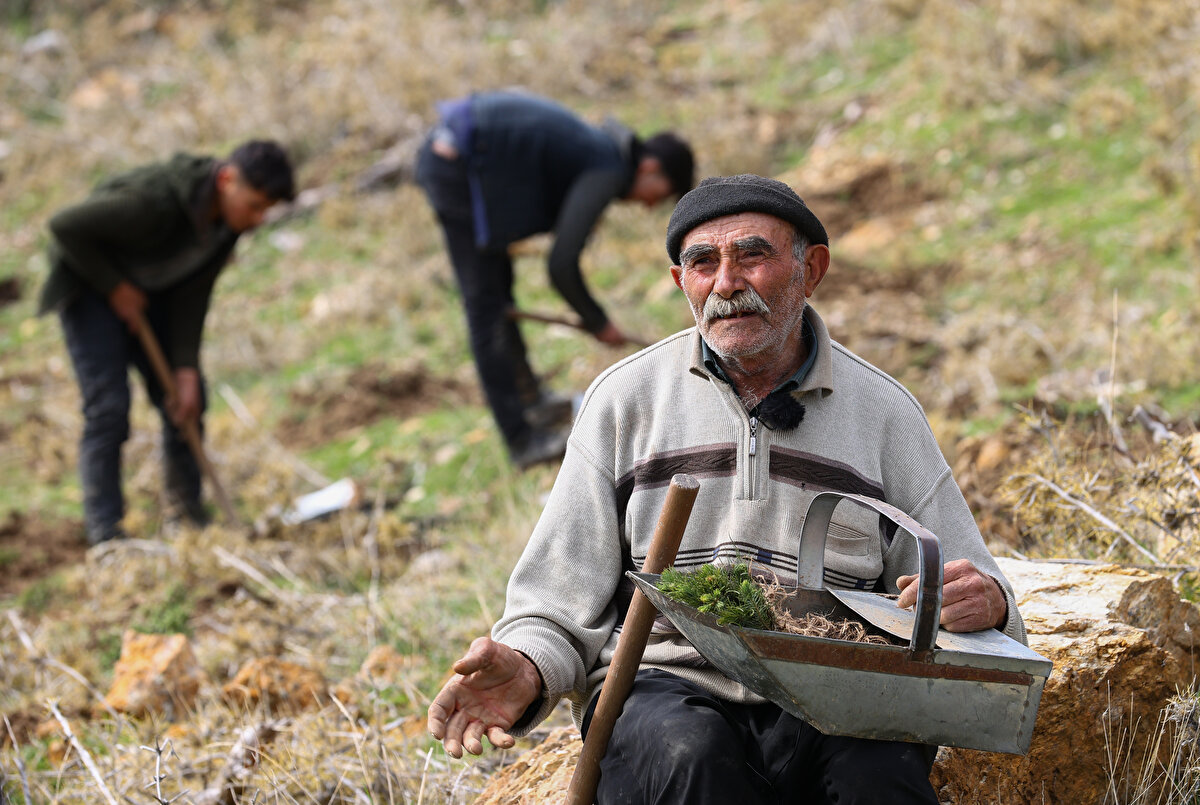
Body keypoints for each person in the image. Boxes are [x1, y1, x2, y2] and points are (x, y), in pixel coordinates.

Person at [427, 174, 1027, 803]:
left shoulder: (885, 414)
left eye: (753, 255)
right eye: (702, 262)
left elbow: (981, 594)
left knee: (878, 779)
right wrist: (526, 668)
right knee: (692, 754)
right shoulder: (624, 402)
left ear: (812, 269)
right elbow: (554, 601)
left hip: (835, 694)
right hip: (663, 687)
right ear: (679, 282)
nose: (726, 283)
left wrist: (981, 602)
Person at [414, 90, 695, 469]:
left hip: (467, 161)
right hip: (455, 166)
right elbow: (561, 265)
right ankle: (522, 440)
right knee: (485, 308)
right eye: (661, 195)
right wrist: (598, 321)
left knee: (499, 300)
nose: (651, 205)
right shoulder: (608, 167)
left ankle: (533, 402)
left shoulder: (601, 153)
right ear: (650, 167)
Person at [39, 140, 296, 545]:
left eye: (266, 210)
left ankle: (187, 518)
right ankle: (107, 536)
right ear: (228, 179)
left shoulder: (226, 225)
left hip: (148, 294)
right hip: (89, 290)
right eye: (255, 205)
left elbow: (194, 294)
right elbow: (65, 226)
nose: (258, 218)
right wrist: (114, 286)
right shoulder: (153, 201)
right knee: (108, 409)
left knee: (186, 401)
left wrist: (185, 365)